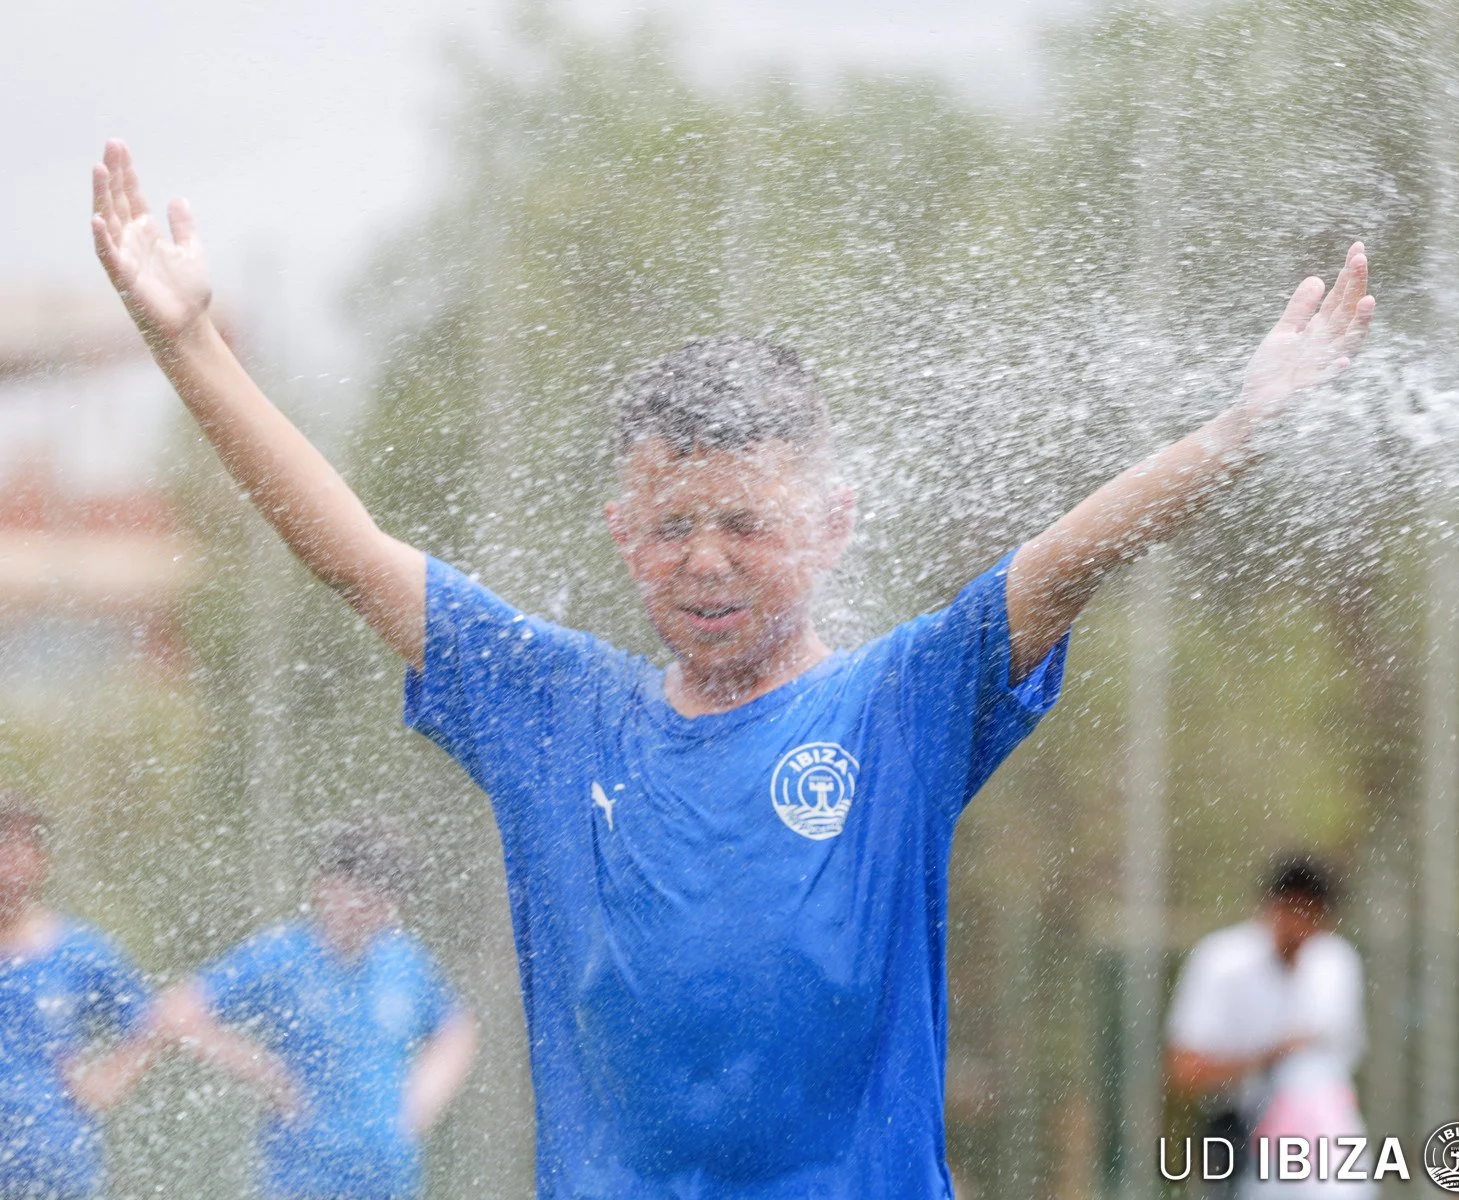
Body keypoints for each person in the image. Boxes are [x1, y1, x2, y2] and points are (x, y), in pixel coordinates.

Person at [91, 139, 1376, 1197]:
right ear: (621, 532)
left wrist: (1239, 428)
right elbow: (353, 553)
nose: (705, 560)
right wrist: (190, 346)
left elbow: (1061, 563)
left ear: (831, 523)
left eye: (747, 524)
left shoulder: (896, 707)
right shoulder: (557, 712)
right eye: (671, 526)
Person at [150, 819, 477, 1200]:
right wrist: (263, 1069)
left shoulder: (405, 963)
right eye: (356, 888)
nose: (365, 905)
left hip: (391, 1181)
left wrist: (419, 1105)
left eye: (382, 894)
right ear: (323, 885)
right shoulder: (282, 955)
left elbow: (457, 1031)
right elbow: (175, 1012)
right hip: (302, 1180)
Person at [1166, 856, 1371, 1198]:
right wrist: (1268, 1059)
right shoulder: (1221, 963)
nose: (1302, 928)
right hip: (1237, 1128)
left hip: (1320, 1133)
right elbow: (1184, 1072)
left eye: (1313, 916)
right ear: (1272, 908)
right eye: (1295, 913)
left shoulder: (1337, 963)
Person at [0, 796, 156, 1200]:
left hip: (57, 1170)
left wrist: (108, 1081)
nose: (9, 862)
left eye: (22, 847)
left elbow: (151, 1022)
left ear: (43, 862)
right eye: (2, 845)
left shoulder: (78, 951)